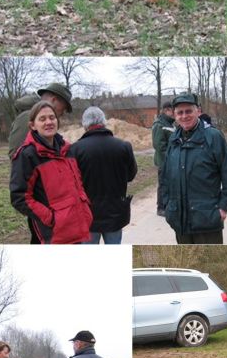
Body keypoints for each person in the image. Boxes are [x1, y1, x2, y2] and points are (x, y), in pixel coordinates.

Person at [159, 92, 227, 244]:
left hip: (207, 220)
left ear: (198, 111)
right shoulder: (174, 140)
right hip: (179, 219)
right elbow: (165, 176)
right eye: (180, 112)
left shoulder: (213, 137)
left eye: (188, 111)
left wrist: (223, 207)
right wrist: (167, 204)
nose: (184, 116)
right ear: (175, 115)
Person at [9, 100, 93, 244]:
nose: (49, 122)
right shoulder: (27, 155)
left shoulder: (67, 150)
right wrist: (51, 218)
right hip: (55, 235)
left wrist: (85, 206)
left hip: (78, 228)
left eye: (52, 117)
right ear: (32, 126)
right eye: (42, 119)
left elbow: (78, 183)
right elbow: (19, 197)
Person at [68, 106, 137, 244]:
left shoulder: (75, 149)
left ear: (84, 125)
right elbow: (130, 175)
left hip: (87, 216)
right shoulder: (124, 146)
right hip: (115, 213)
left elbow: (71, 183)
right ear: (104, 122)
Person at [7, 82, 74, 158]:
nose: (63, 112)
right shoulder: (28, 117)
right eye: (63, 108)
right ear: (54, 100)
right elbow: (16, 153)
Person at [153, 96, 176, 215]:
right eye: (173, 111)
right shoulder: (159, 124)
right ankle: (161, 208)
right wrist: (170, 156)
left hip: (171, 160)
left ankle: (168, 204)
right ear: (166, 110)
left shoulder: (171, 124)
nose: (174, 113)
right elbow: (159, 145)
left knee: (169, 183)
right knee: (163, 183)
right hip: (164, 161)